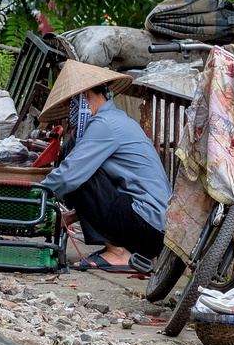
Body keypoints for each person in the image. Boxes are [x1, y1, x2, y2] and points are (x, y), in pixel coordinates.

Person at [35, 60, 171, 271]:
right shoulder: (116, 119)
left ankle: (117, 253)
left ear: (85, 95)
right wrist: (69, 217)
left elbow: (68, 175)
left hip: (148, 228)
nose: (69, 112)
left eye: (70, 104)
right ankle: (122, 250)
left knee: (79, 169)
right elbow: (113, 191)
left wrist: (32, 196)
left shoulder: (105, 125)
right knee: (82, 166)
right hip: (154, 230)